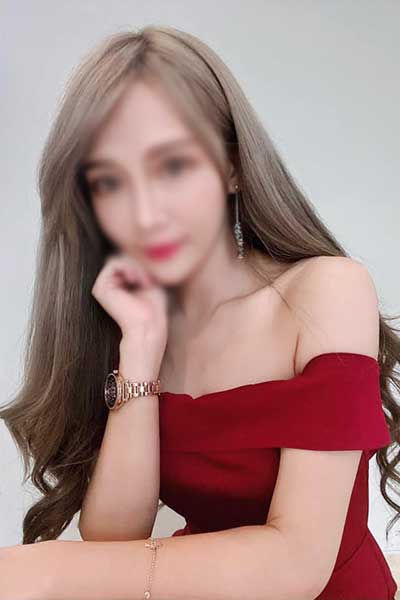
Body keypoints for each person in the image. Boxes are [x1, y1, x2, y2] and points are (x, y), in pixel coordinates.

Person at [0, 24, 399, 600]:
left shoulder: (326, 290)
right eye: (109, 182)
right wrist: (141, 348)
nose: (145, 213)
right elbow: (116, 537)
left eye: (172, 167)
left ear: (233, 166)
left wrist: (48, 570)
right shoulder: (139, 324)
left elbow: (298, 563)